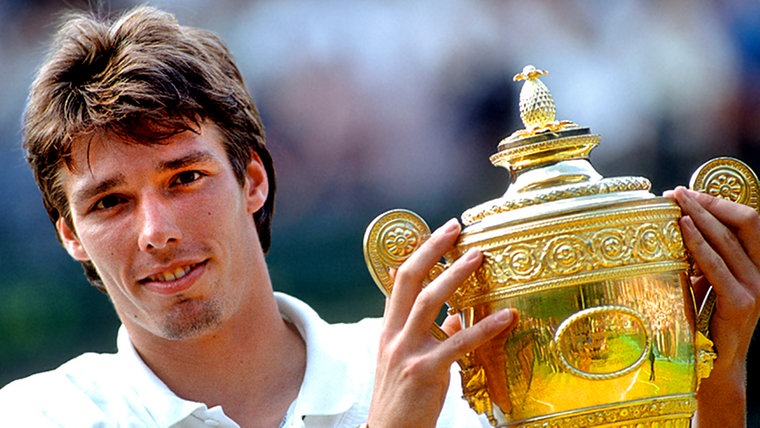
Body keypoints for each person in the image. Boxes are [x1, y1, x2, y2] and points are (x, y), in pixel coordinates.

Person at [0, 5, 756, 427]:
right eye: (108, 202)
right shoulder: (40, 418)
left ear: (254, 179)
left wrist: (717, 386)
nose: (155, 227)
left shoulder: (467, 375)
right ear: (69, 235)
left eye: (185, 176)